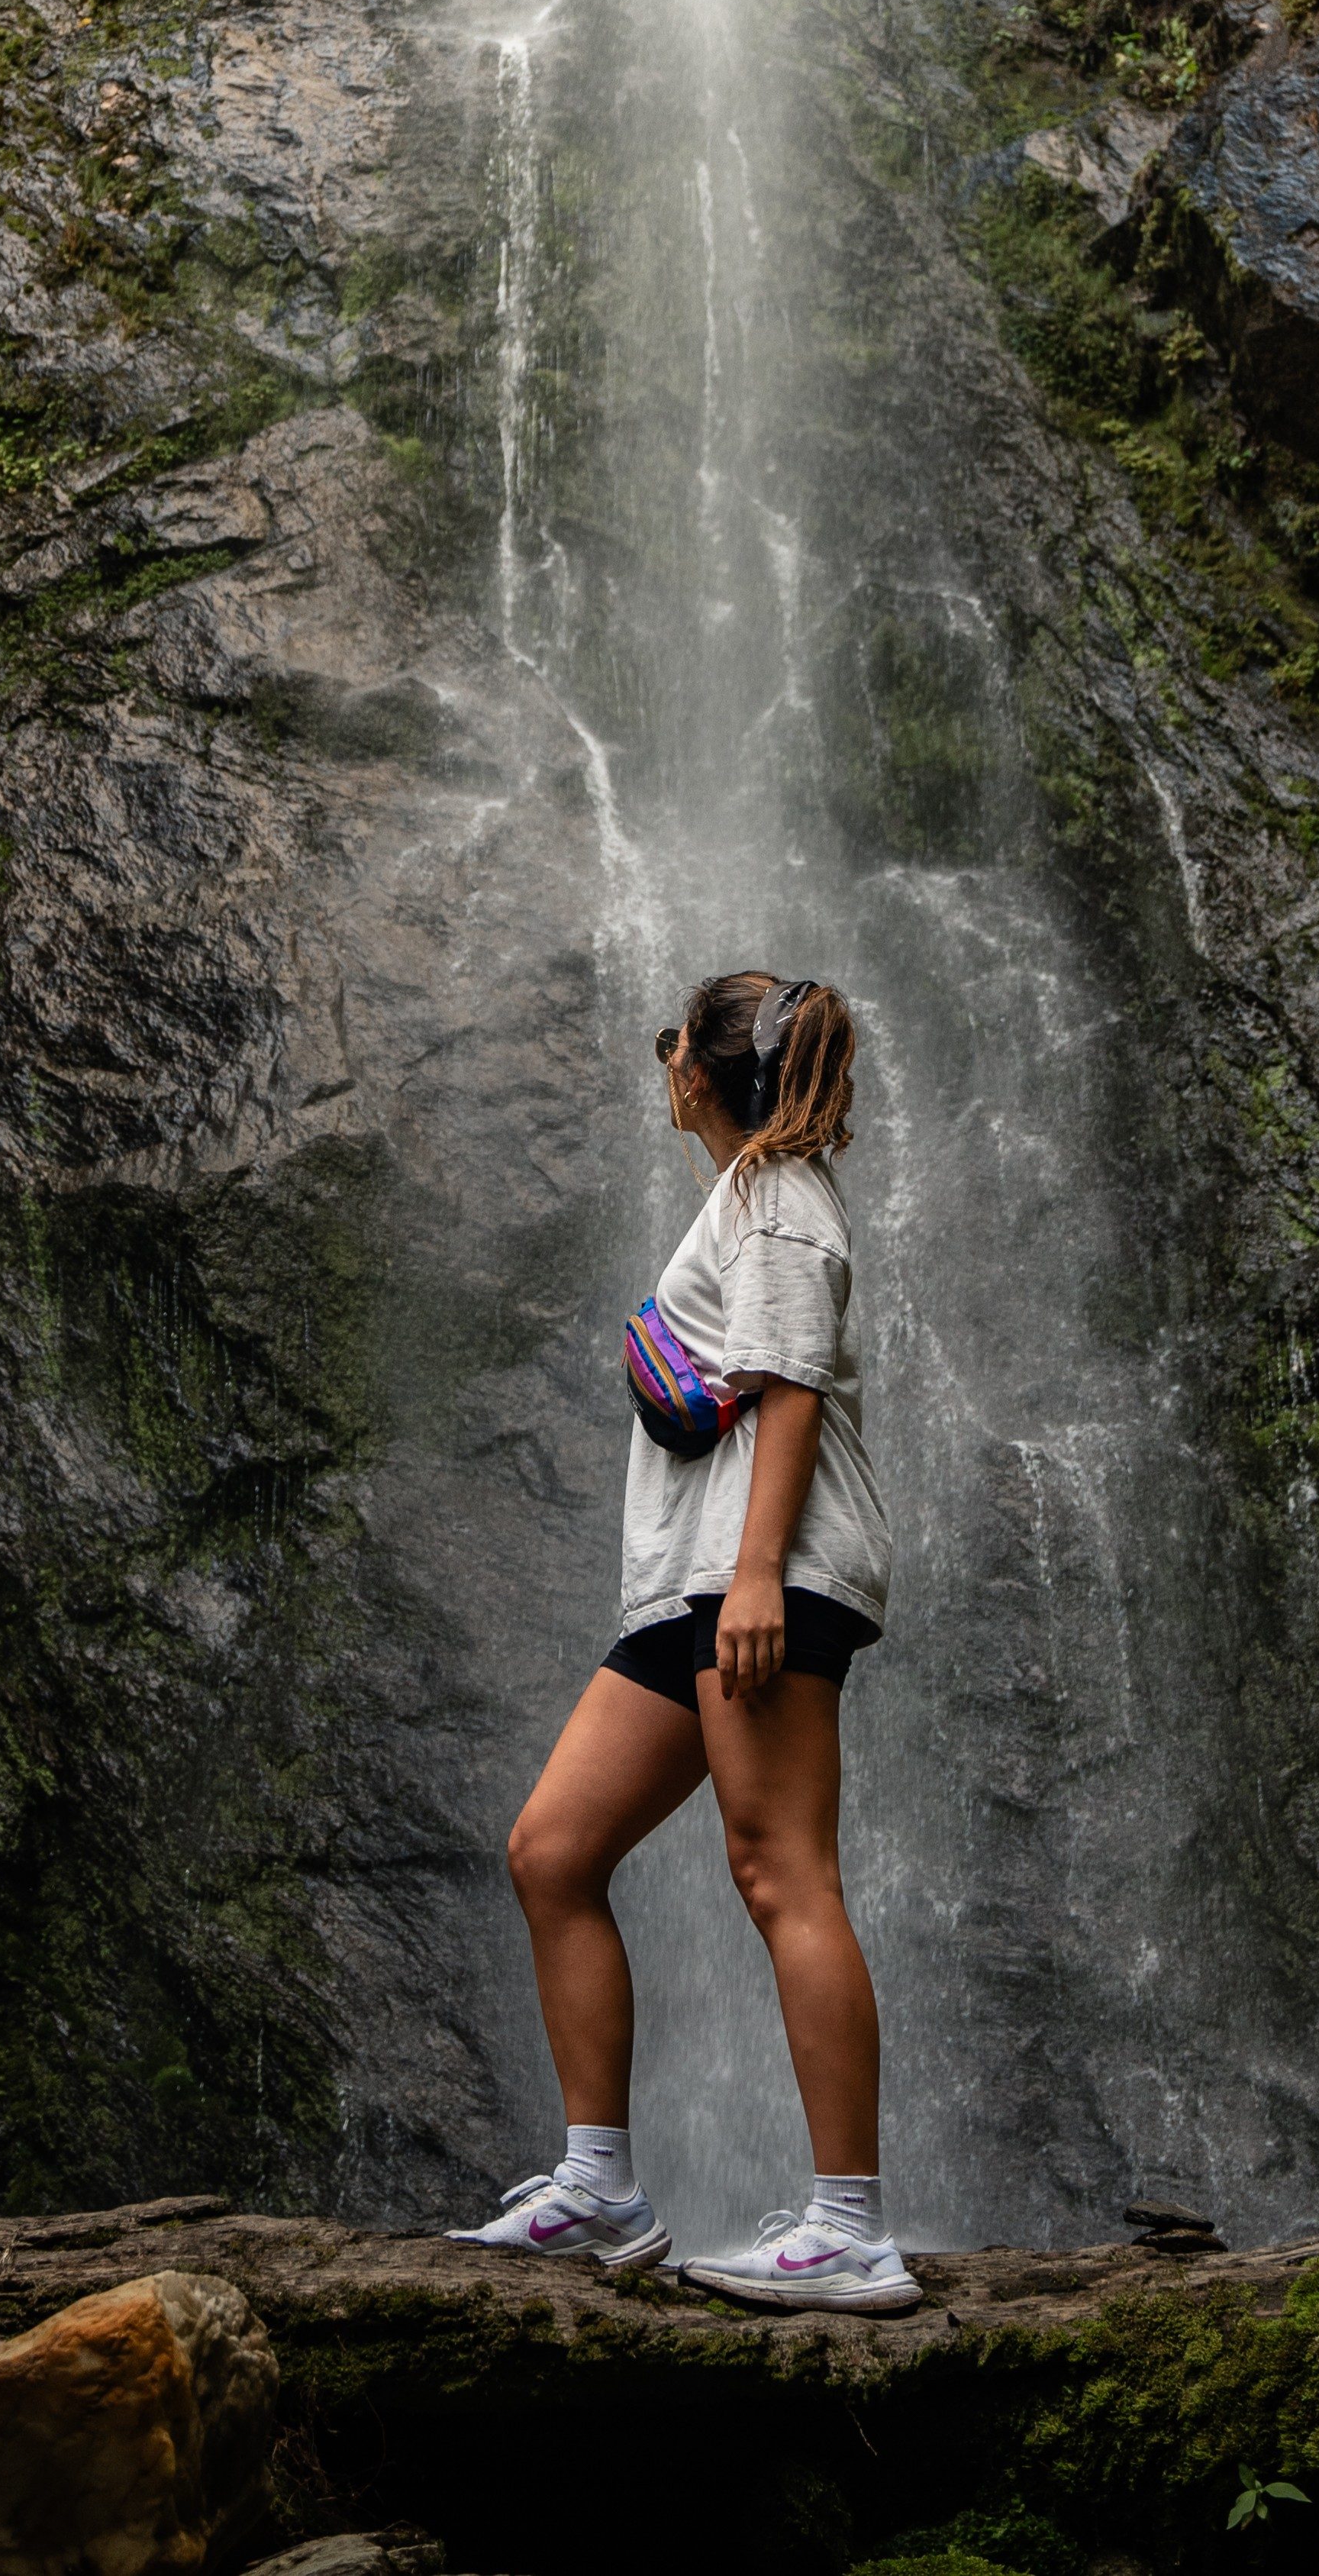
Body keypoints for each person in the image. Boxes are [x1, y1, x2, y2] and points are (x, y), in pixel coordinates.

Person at [447, 971, 914, 2310]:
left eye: (674, 1051)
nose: (664, 1070)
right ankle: (600, 2187)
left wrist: (760, 1576)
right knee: (554, 1848)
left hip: (757, 1577)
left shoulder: (778, 1195)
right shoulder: (748, 1191)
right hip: (689, 1584)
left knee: (780, 1872)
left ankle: (850, 2226)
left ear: (701, 1075)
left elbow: (789, 1393)